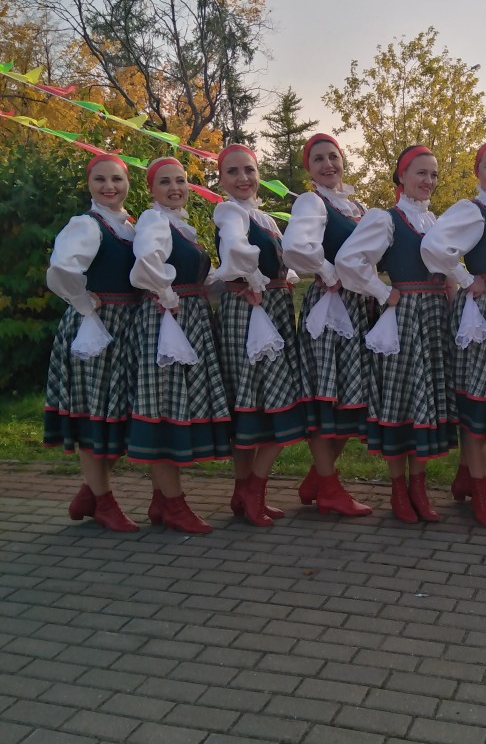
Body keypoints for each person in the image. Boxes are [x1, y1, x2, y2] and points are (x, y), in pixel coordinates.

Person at [335, 145, 457, 524]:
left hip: (434, 317)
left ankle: (418, 486)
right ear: (402, 176)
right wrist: (382, 291)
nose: (429, 181)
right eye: (421, 172)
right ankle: (398, 489)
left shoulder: (435, 222)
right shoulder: (386, 219)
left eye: (433, 174)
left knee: (426, 401)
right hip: (405, 317)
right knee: (401, 400)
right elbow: (348, 260)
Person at [420, 140, 486, 528]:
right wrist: (465, 279)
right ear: (477, 172)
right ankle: (478, 488)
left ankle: (467, 477)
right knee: (477, 396)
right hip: (484, 311)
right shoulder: (472, 210)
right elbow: (434, 246)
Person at [127, 156, 231, 533]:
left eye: (181, 181)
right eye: (165, 182)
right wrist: (167, 293)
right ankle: (174, 504)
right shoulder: (154, 220)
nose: (175, 188)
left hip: (188, 317)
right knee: (165, 405)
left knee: (173, 402)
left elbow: (202, 278)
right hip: (167, 320)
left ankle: (161, 500)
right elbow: (145, 262)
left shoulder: (181, 226)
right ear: (152, 189)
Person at [44, 153, 140, 532]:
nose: (109, 186)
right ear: (89, 184)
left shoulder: (130, 227)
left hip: (128, 327)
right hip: (96, 329)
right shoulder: (87, 225)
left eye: (116, 179)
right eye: (100, 179)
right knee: (93, 413)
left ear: (127, 182)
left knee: (121, 414)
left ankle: (90, 493)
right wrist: (82, 300)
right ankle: (103, 501)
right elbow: (62, 268)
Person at [213, 144, 307, 526]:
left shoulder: (265, 218)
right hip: (251, 310)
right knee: (267, 401)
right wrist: (252, 277)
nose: (243, 178)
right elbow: (236, 247)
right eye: (233, 171)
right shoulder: (230, 212)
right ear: (221, 179)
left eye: (249, 170)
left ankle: (245, 493)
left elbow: (288, 262)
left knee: (259, 403)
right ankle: (252, 489)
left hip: (272, 309)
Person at [281, 133, 372, 517]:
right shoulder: (312, 202)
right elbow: (294, 247)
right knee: (326, 396)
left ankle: (317, 480)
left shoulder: (356, 206)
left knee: (352, 397)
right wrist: (327, 270)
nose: (328, 164)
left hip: (359, 305)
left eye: (333, 156)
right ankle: (329, 486)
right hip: (330, 306)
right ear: (309, 168)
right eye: (318, 159)